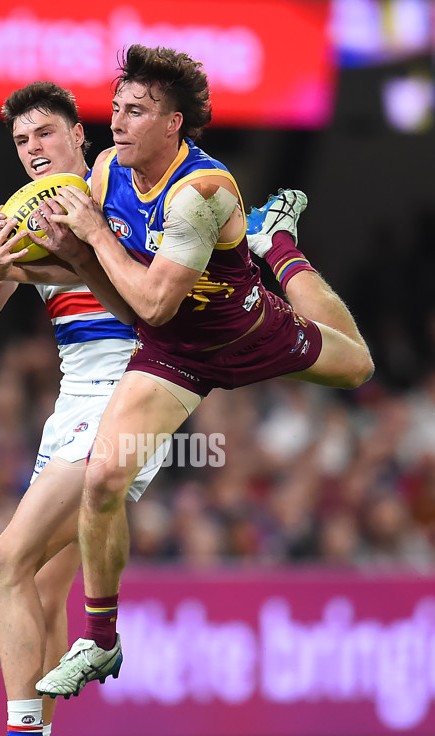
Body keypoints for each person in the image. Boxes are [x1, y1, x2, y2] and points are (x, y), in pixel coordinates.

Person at [35, 44, 374, 699]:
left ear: (174, 124)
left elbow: (155, 296)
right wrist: (28, 260)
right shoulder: (107, 173)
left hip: (247, 329)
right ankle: (101, 642)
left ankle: (275, 242)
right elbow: (130, 300)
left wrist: (93, 240)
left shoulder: (202, 193)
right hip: (173, 352)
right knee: (103, 475)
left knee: (357, 365)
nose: (118, 122)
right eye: (116, 107)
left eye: (136, 111)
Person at [0, 80, 168, 736]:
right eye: (20, 141)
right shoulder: (28, 215)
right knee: (38, 589)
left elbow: (143, 295)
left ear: (81, 135)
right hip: (73, 406)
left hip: (127, 396)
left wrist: (29, 264)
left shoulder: (122, 189)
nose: (32, 150)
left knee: (2, 563)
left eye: (43, 134)